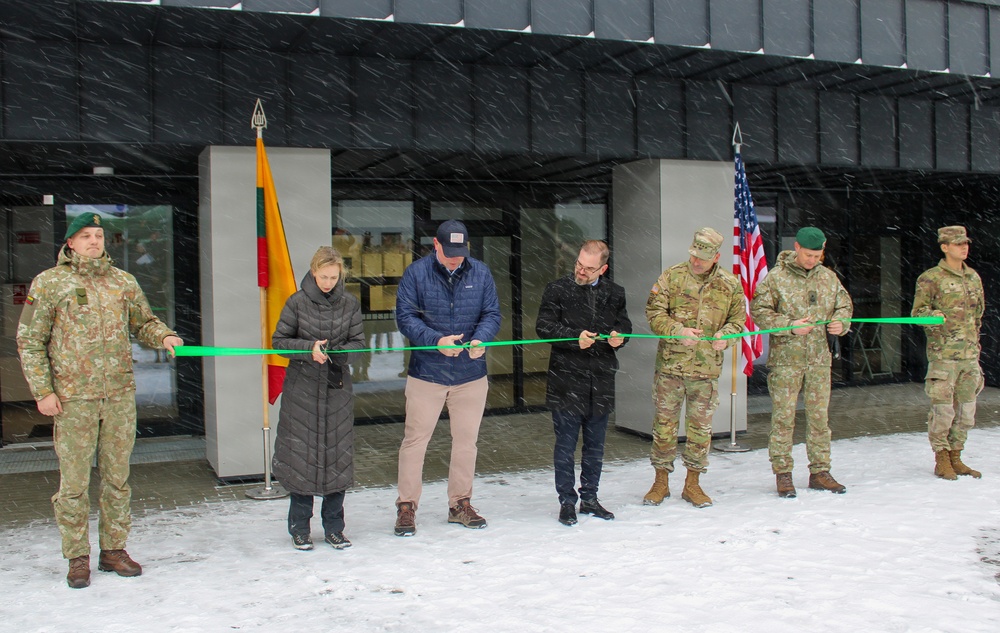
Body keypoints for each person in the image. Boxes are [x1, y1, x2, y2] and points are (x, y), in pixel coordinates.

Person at [16, 212, 182, 589]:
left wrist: (165, 337)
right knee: (73, 483)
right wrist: (43, 391)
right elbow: (29, 340)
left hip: (119, 396)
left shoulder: (122, 282)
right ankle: (77, 556)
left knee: (117, 480)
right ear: (70, 243)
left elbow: (145, 322)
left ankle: (114, 550)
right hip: (74, 399)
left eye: (99, 235)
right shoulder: (50, 283)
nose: (94, 241)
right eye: (86, 236)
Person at [393, 219, 501, 536]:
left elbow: (492, 313)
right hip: (427, 374)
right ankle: (406, 507)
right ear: (435, 245)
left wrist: (482, 338)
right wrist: (435, 340)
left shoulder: (480, 272)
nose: (456, 258)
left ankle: (460, 504)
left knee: (466, 443)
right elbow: (405, 317)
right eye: (449, 252)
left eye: (461, 252)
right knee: (415, 442)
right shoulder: (416, 273)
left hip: (470, 374)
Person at [643, 228, 744, 508]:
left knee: (700, 430)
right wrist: (676, 330)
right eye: (694, 255)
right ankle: (660, 482)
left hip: (706, 371)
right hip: (671, 369)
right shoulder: (673, 276)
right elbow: (653, 312)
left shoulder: (729, 284)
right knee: (664, 426)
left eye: (703, 257)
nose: (696, 261)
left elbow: (738, 322)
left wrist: (728, 337)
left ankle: (693, 484)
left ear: (716, 257)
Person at [271, 246, 364, 551]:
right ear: (313, 272)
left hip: (336, 390)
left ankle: (334, 528)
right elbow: (279, 343)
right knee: (302, 459)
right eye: (323, 276)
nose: (328, 282)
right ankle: (300, 529)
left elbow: (358, 343)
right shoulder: (296, 303)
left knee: (336, 459)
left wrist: (339, 353)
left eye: (333, 277)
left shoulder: (349, 303)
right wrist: (308, 348)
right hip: (302, 391)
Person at [750, 226, 852, 498]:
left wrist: (841, 323)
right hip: (787, 360)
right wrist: (789, 326)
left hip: (819, 359)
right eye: (808, 255)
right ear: (796, 248)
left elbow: (844, 305)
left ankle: (820, 471)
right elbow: (759, 312)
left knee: (819, 418)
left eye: (817, 255)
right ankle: (783, 473)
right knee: (784, 418)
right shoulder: (777, 278)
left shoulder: (828, 277)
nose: (812, 260)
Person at [535, 240, 631, 526]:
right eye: (579, 264)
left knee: (595, 445)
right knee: (565, 445)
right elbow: (544, 327)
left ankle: (590, 497)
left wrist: (620, 337)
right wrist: (573, 337)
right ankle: (567, 501)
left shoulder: (615, 293)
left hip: (600, 379)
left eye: (589, 269)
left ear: (603, 268)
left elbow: (625, 325)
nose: (581, 271)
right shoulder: (557, 289)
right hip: (566, 379)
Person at [911, 226, 985, 480]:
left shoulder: (973, 277)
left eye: (966, 243)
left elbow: (978, 317)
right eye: (958, 244)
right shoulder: (930, 278)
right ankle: (941, 457)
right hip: (943, 356)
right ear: (944, 247)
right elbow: (917, 315)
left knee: (966, 410)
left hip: (968, 356)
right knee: (943, 411)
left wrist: (975, 348)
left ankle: (957, 455)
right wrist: (933, 316)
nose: (964, 247)